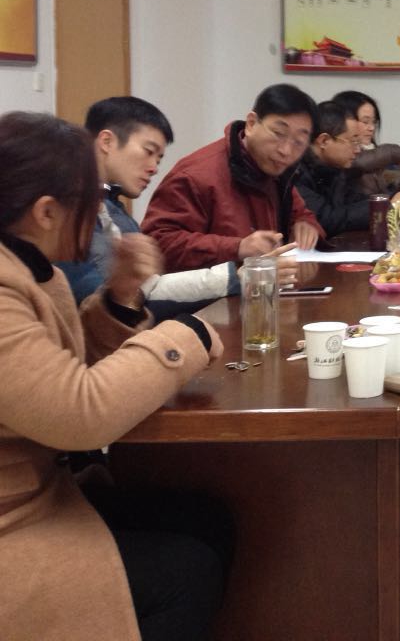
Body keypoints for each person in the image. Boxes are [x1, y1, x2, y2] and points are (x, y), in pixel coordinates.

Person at [0, 111, 232, 641]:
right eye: (92, 204)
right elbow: (77, 414)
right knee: (186, 572)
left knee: (206, 518)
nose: (101, 218)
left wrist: (122, 296)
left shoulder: (30, 266)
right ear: (46, 212)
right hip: (15, 520)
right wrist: (184, 337)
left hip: (40, 495)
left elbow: (54, 368)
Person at [57, 97, 238, 318]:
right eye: (148, 151)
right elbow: (112, 303)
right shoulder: (67, 207)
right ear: (106, 141)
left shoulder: (112, 206)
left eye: (158, 160)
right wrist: (233, 277)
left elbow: (147, 289)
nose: (154, 168)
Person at [141, 83, 322, 271]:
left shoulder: (277, 169)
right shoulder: (197, 174)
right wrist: (238, 247)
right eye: (278, 134)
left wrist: (305, 224)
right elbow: (158, 243)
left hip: (263, 284)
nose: (286, 151)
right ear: (251, 124)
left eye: (299, 142)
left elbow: (300, 212)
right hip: (213, 289)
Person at [296, 101, 400, 237]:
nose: (358, 150)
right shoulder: (297, 173)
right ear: (324, 141)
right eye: (353, 141)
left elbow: (354, 203)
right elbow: (328, 220)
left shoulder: (334, 168)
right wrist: (387, 205)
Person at [330, 90, 400, 194]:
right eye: (365, 122)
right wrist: (398, 152)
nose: (372, 128)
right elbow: (359, 162)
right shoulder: (343, 156)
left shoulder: (373, 153)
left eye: (374, 122)